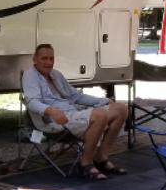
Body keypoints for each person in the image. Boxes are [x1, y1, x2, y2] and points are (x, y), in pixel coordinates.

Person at [22, 43, 128, 180]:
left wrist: (104, 101)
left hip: (73, 113)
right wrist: (50, 111)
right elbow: (31, 102)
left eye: (51, 59)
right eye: (44, 58)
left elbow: (76, 96)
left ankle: (101, 158)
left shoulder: (55, 75)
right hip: (54, 121)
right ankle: (86, 164)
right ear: (35, 59)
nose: (48, 62)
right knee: (99, 114)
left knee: (120, 109)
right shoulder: (30, 75)